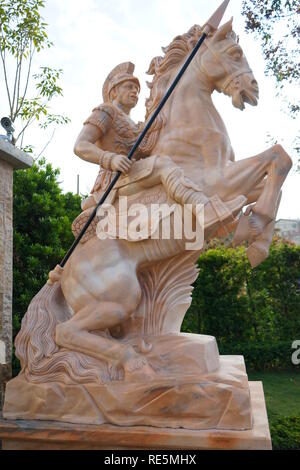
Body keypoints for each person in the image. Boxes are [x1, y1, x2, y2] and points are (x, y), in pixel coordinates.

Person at [73, 62, 245, 240]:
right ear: (114, 91)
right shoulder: (106, 111)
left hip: (133, 174)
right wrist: (110, 159)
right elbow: (81, 146)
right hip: (112, 180)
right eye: (129, 87)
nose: (135, 92)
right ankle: (204, 210)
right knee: (163, 165)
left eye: (137, 90)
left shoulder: (136, 125)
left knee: (176, 167)